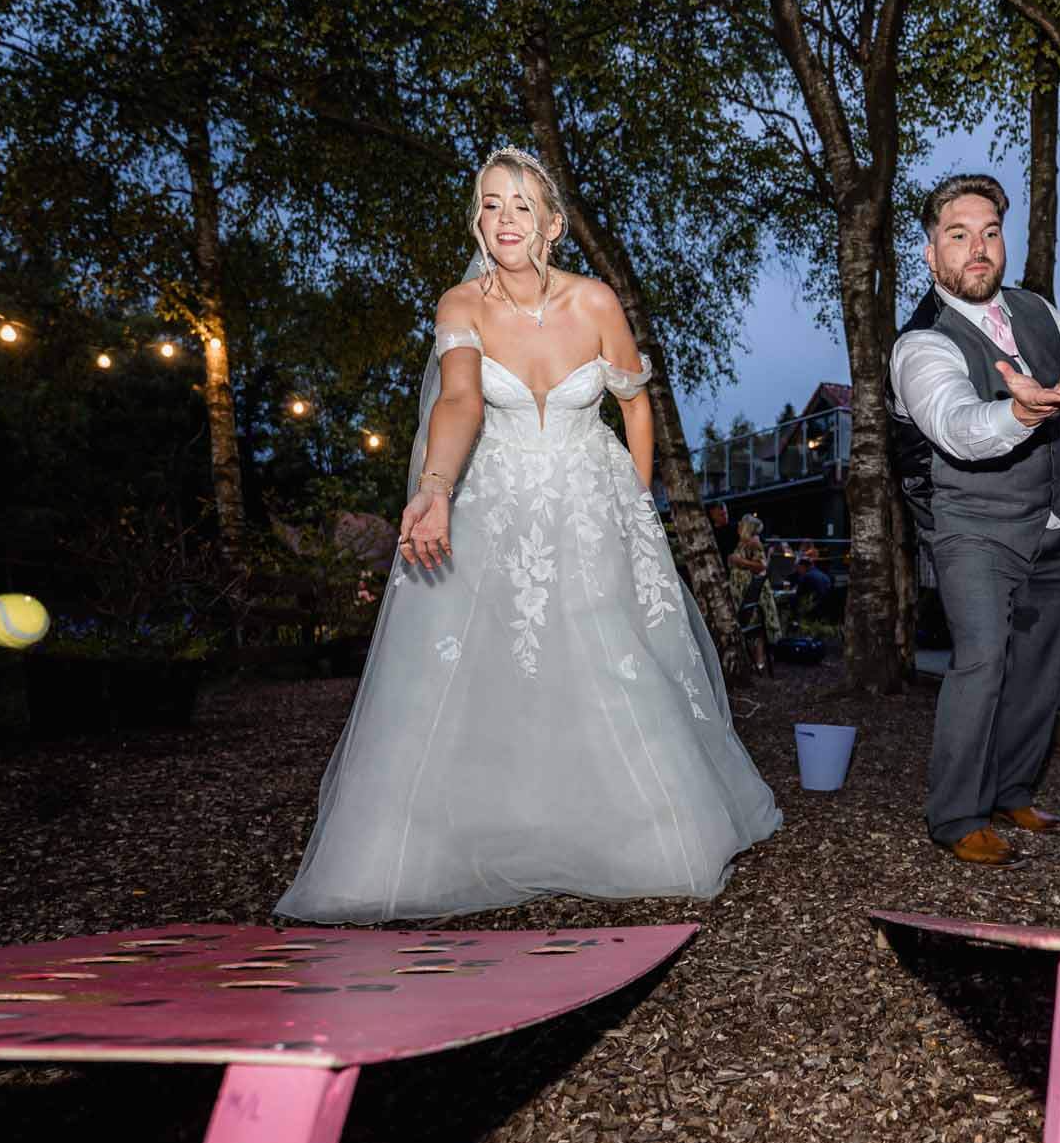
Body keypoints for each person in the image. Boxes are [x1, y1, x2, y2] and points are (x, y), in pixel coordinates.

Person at [276, 148, 781, 923]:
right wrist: (435, 488)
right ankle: (491, 827)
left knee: (611, 654)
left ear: (551, 225)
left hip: (591, 499)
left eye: (520, 205)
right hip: (499, 503)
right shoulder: (461, 305)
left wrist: (634, 502)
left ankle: (638, 831)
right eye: (490, 204)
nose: (504, 218)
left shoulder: (595, 302)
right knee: (492, 661)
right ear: (477, 221)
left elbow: (634, 404)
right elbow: (459, 403)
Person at [890, 172, 1060, 868]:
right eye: (958, 235)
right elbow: (958, 427)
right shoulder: (920, 344)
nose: (978, 248)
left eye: (990, 232)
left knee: (1038, 670)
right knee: (982, 663)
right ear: (932, 254)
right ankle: (957, 816)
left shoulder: (1040, 312)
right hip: (969, 525)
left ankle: (1013, 790)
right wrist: (1017, 411)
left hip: (1046, 520)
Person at [728, 514, 780, 676]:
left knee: (755, 624)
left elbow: (761, 566)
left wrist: (740, 561)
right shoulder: (743, 542)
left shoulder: (753, 542)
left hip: (751, 590)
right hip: (742, 589)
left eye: (740, 524)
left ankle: (760, 661)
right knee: (750, 625)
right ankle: (755, 661)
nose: (737, 527)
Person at [793, 543, 833, 619]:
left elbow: (799, 594)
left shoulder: (806, 576)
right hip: (826, 608)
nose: (798, 570)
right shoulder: (824, 575)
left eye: (798, 568)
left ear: (803, 566)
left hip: (814, 608)